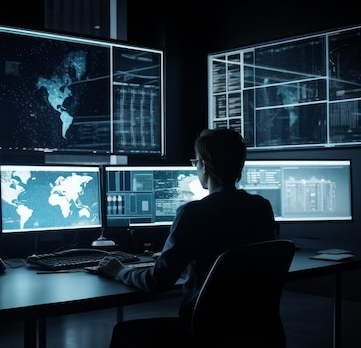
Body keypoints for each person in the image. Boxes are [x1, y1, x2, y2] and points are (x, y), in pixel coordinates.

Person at [95, 128, 277, 347]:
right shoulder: (261, 207)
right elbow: (230, 260)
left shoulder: (192, 213)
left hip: (202, 332)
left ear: (205, 165)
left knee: (124, 333)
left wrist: (120, 271)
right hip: (253, 330)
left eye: (196, 161)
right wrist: (183, 261)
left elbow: (158, 281)